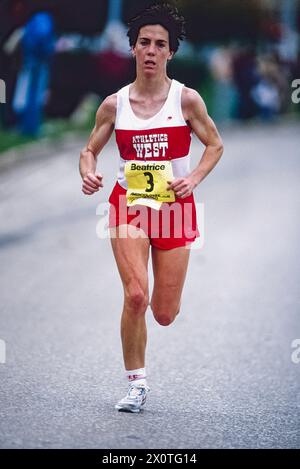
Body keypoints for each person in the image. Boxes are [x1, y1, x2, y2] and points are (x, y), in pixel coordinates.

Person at [79, 3, 223, 413]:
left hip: (175, 209)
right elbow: (88, 151)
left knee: (163, 312)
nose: (151, 51)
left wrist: (192, 178)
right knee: (137, 295)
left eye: (160, 44)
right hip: (129, 206)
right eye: (144, 42)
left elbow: (215, 144)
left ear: (170, 53)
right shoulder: (114, 105)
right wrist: (88, 172)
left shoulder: (187, 100)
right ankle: (136, 385)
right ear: (133, 48)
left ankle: (149, 343)